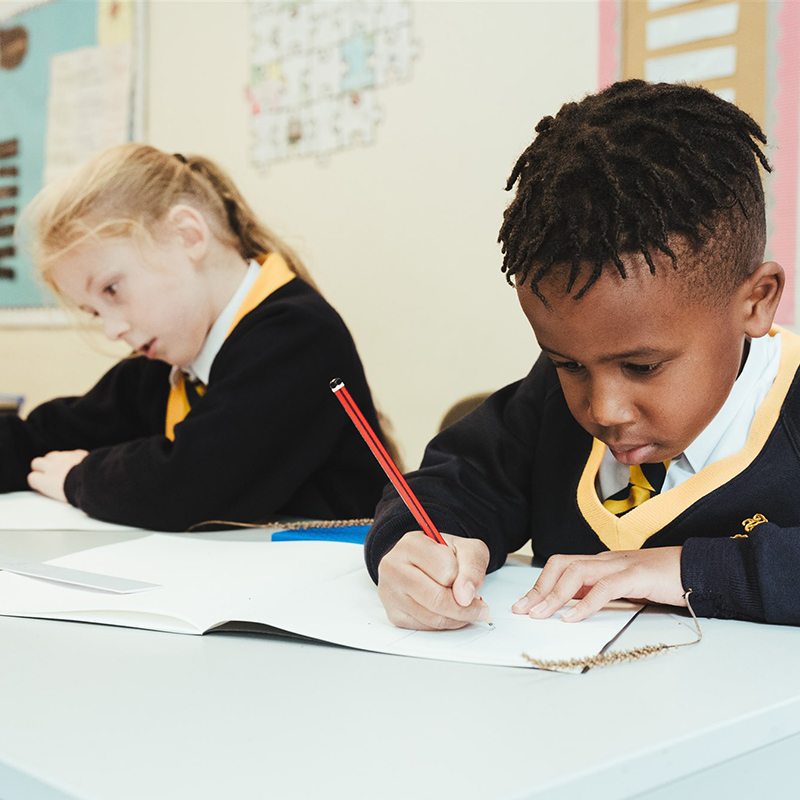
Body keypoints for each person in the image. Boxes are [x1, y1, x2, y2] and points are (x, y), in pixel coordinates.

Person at [365, 79, 800, 629]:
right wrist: (416, 549)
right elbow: (452, 482)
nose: (604, 409)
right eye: (567, 363)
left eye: (642, 367)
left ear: (756, 302)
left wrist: (691, 569)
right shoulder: (552, 397)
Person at [3, 143, 390, 530]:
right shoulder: (171, 359)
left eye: (112, 290)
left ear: (187, 235)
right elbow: (44, 437)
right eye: (94, 313)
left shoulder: (299, 336)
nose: (112, 329)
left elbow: (188, 485)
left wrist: (79, 477)